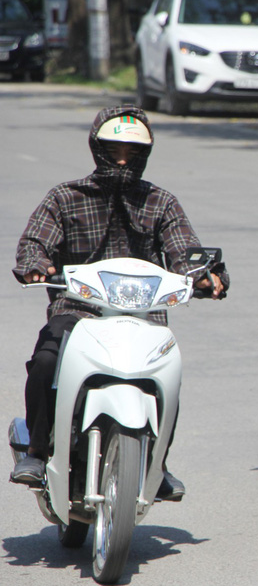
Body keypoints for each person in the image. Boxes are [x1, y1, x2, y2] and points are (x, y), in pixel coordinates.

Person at [9, 106, 228, 501]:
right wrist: (35, 266)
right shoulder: (65, 197)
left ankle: (156, 462)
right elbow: (34, 245)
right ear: (97, 148)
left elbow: (184, 249)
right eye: (114, 149)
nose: (123, 158)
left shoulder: (162, 202)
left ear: (146, 154)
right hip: (77, 310)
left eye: (132, 151)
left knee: (168, 374)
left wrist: (203, 276)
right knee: (45, 359)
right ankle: (37, 452)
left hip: (143, 315)